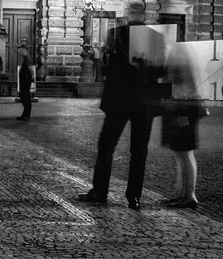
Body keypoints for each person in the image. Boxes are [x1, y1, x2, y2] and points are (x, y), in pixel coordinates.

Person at [77, 13, 165, 210]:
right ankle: (133, 196)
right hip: (140, 101)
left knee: (109, 146)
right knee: (137, 150)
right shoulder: (155, 37)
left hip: (121, 100)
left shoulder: (117, 34)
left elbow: (108, 68)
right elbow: (161, 70)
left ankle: (103, 192)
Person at [159, 58, 205, 208]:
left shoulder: (181, 68)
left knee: (185, 153)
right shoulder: (181, 66)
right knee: (182, 154)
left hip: (184, 112)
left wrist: (181, 114)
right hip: (182, 111)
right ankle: (182, 193)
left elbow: (183, 92)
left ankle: (189, 195)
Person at [17, 52, 35, 121]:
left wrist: (32, 77)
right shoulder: (25, 59)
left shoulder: (27, 59)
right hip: (24, 81)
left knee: (25, 97)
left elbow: (31, 68)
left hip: (26, 81)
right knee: (24, 97)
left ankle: (26, 115)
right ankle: (25, 114)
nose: (19, 52)